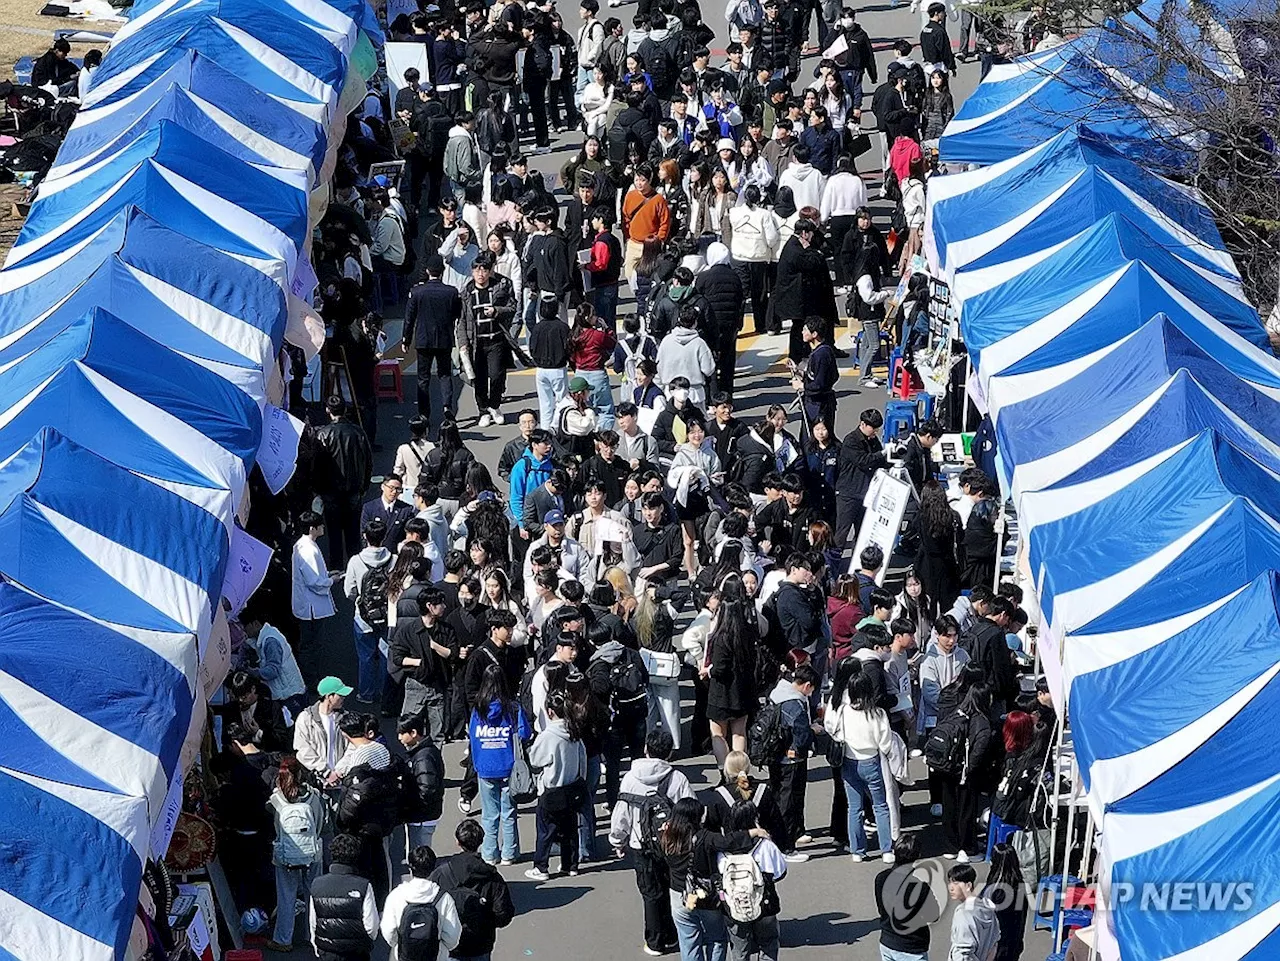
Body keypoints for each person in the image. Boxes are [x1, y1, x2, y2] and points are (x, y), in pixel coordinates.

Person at [609, 729, 695, 956]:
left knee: (650, 893)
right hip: (672, 845)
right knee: (674, 890)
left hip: (642, 846)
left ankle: (655, 941)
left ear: (646, 749)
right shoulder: (677, 778)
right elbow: (692, 811)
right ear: (668, 752)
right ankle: (674, 934)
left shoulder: (630, 778)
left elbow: (622, 814)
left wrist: (618, 841)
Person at [659, 797, 763, 961]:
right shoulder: (706, 837)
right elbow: (729, 842)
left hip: (678, 894)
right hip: (706, 894)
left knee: (688, 940)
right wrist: (753, 832)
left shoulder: (666, 837)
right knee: (716, 938)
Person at [824, 671, 895, 862]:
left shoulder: (844, 711)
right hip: (871, 761)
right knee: (880, 806)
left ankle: (857, 850)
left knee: (854, 808)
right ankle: (886, 849)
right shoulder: (877, 713)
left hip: (849, 762)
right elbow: (885, 742)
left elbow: (833, 730)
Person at [470, 664, 532, 865]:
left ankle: (489, 854)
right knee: (509, 813)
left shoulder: (477, 709)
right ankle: (510, 853)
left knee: (489, 814)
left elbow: (472, 736)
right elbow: (525, 734)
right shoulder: (513, 708)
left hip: (485, 767)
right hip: (509, 767)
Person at [430, 819, 517, 961]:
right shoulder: (493, 877)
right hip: (481, 944)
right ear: (480, 842)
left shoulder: (441, 874)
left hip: (451, 944)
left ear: (458, 842)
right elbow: (504, 915)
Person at [526, 690, 590, 880]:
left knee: (546, 830)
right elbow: (583, 758)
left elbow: (536, 760)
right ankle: (571, 865)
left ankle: (541, 867)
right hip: (572, 788)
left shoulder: (548, 736)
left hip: (552, 790)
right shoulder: (575, 731)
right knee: (570, 829)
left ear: (550, 711)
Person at [265, 758, 326, 952]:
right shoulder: (313, 796)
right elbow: (320, 823)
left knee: (286, 896)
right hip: (312, 852)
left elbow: (273, 828)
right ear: (300, 774)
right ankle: (315, 936)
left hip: (285, 854)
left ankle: (283, 939)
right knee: (313, 895)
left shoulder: (275, 800)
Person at [719, 801, 789, 961]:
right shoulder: (765, 845)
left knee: (739, 947)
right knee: (769, 942)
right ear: (754, 818)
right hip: (764, 903)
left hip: (734, 905)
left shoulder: (723, 846)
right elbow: (780, 872)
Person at [767, 663, 820, 857]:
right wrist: (812, 731)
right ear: (806, 685)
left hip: (775, 755)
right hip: (792, 760)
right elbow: (801, 737)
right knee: (789, 801)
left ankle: (793, 832)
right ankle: (786, 845)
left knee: (779, 795)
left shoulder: (777, 693)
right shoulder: (795, 705)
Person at [705, 575, 758, 767]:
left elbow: (719, 668)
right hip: (743, 689)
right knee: (739, 732)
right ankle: (739, 771)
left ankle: (723, 770)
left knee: (718, 733)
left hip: (722, 692)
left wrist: (707, 671)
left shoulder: (721, 637)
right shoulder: (747, 632)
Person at [313, 398, 374, 565]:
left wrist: (318, 490)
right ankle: (355, 567)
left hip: (330, 492)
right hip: (354, 490)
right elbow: (368, 461)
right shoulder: (358, 432)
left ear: (328, 410)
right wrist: (364, 486)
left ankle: (336, 568)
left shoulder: (323, 434)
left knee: (334, 535)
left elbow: (317, 466)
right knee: (353, 533)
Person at [404, 256, 463, 423]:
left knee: (423, 377)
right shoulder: (451, 292)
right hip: (444, 338)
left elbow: (410, 318)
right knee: (445, 374)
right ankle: (447, 407)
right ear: (443, 271)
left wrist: (406, 340)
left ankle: (424, 412)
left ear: (428, 271)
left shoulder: (417, 292)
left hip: (423, 339)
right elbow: (457, 314)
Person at [390, 589, 456, 738]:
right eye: (440, 603)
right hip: (415, 684)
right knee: (408, 727)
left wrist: (435, 646)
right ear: (429, 606)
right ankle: (413, 759)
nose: (444, 606)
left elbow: (453, 654)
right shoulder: (408, 631)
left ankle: (434, 759)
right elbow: (398, 658)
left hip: (438, 684)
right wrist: (418, 662)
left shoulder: (445, 629)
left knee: (437, 732)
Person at [380, 846, 463, 961]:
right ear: (433, 868)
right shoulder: (443, 898)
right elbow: (452, 937)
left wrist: (402, 944)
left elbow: (388, 932)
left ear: (410, 868)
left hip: (405, 956)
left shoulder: (396, 895)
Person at [310, 833, 380, 961]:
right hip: (355, 953)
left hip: (327, 952)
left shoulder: (316, 884)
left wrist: (318, 947)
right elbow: (371, 927)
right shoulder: (363, 885)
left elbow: (314, 923)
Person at [874, 835, 938, 961]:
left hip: (887, 942)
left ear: (895, 852)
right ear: (917, 856)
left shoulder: (881, 878)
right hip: (912, 947)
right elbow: (933, 915)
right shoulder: (919, 887)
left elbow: (881, 908)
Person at [835, 409, 888, 548]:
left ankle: (858, 564)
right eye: (873, 428)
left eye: (877, 429)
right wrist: (882, 454)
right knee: (842, 532)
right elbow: (863, 461)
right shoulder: (851, 440)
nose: (875, 432)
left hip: (866, 493)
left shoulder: (873, 440)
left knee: (863, 533)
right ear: (863, 424)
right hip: (848, 493)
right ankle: (832, 565)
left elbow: (879, 461)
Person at [397, 715, 445, 855]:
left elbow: (427, 788)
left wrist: (411, 807)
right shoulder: (427, 751)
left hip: (421, 817)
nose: (399, 738)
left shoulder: (423, 757)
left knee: (419, 856)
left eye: (402, 733)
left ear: (413, 733)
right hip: (425, 815)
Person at [946, 864, 1000, 961]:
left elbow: (963, 953)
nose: (951, 888)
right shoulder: (986, 906)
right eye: (949, 882)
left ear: (968, 885)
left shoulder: (963, 914)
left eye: (956, 883)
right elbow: (995, 942)